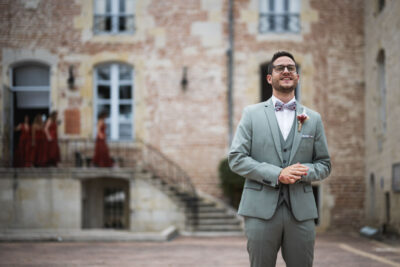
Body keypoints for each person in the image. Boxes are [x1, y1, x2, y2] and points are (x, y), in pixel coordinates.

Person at [228, 51, 331, 267]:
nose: (286, 71)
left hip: (301, 212)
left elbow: (324, 164)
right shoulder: (251, 114)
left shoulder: (313, 118)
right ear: (269, 78)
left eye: (291, 68)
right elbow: (236, 158)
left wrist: (300, 172)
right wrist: (277, 174)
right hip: (260, 211)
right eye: (280, 68)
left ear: (297, 77)